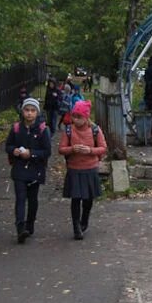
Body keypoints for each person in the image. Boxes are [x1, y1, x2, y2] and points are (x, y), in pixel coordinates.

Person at [58, 100, 107, 240]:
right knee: (76, 198)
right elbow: (61, 149)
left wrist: (90, 150)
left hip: (90, 168)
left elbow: (103, 148)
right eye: (74, 116)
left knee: (88, 199)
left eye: (79, 117)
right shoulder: (68, 130)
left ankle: (84, 221)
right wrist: (72, 149)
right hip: (74, 168)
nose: (76, 120)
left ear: (86, 117)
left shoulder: (95, 130)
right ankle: (76, 227)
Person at [5, 98, 51, 244]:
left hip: (35, 169)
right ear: (22, 111)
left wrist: (32, 153)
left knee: (32, 200)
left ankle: (30, 224)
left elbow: (47, 151)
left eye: (32, 111)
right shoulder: (17, 128)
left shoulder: (43, 130)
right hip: (19, 168)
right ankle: (20, 227)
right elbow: (8, 146)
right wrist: (15, 151)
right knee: (20, 198)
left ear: (37, 112)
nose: (29, 114)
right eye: (27, 110)